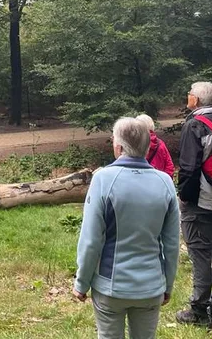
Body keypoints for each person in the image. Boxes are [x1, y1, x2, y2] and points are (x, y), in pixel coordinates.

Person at [73, 116, 180, 339]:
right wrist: (167, 284)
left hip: (111, 287)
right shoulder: (165, 182)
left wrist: (81, 282)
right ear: (148, 145)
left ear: (118, 146)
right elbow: (171, 244)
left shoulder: (102, 179)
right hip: (151, 287)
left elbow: (91, 240)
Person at [175, 82, 212, 328]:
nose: (188, 97)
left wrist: (184, 196)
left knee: (200, 255)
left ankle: (198, 309)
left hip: (201, 201)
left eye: (190, 93)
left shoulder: (194, 125)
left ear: (196, 100)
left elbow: (189, 167)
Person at [136, 114, 175, 180]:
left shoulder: (134, 144)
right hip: (158, 182)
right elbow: (169, 166)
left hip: (139, 182)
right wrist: (165, 182)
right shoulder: (160, 143)